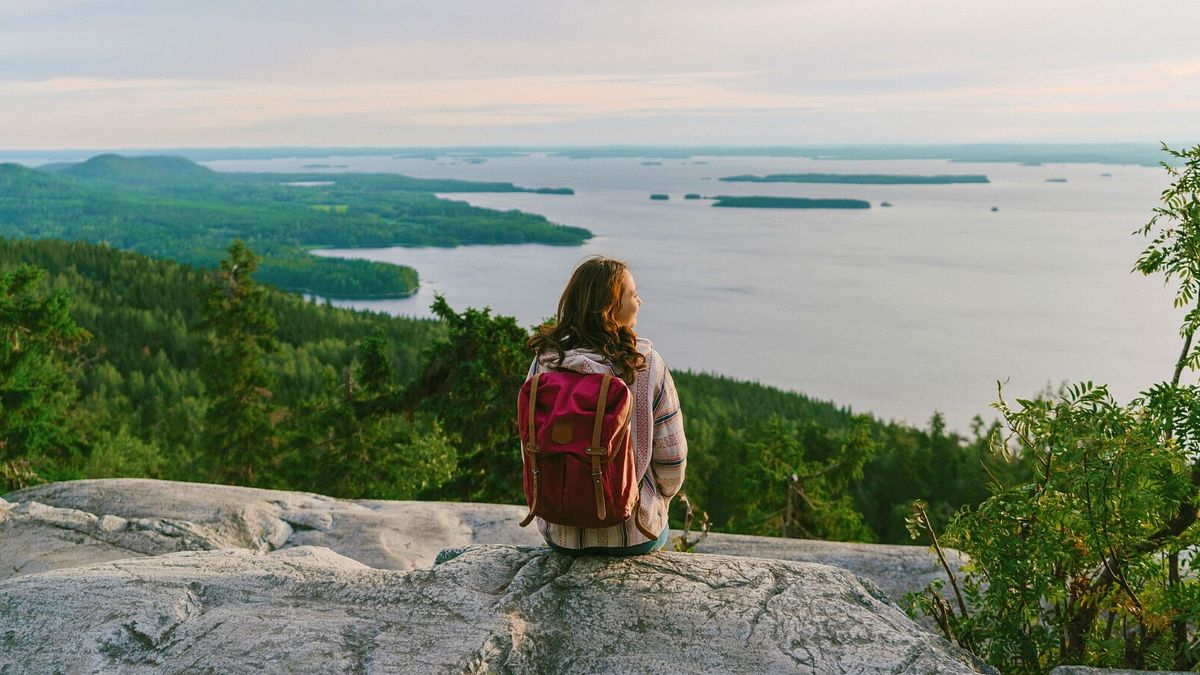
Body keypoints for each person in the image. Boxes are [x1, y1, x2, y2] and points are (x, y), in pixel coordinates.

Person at [526, 255, 687, 555]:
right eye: (633, 294)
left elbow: (530, 449)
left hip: (560, 535)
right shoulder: (647, 365)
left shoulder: (545, 362)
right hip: (635, 535)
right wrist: (656, 501)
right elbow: (672, 467)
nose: (641, 301)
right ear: (610, 309)